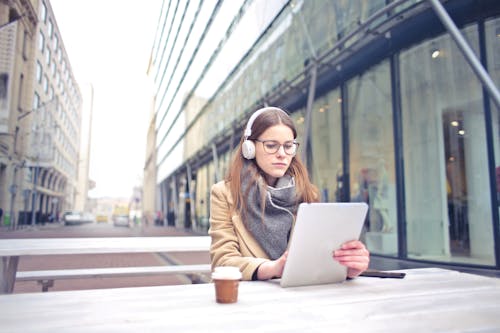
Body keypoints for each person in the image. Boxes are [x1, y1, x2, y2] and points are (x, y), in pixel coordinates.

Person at [209, 106, 370, 281]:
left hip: (298, 297)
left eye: (288, 146)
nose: (282, 154)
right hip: (248, 299)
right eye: (271, 146)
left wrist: (347, 268)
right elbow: (223, 262)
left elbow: (317, 257)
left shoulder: (309, 193)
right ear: (250, 148)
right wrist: (272, 268)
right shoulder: (224, 194)